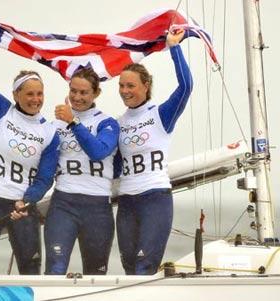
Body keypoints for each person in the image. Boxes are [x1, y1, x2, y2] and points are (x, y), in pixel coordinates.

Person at [0, 19, 59, 275]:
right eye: (29, 94)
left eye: (39, 93)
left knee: (30, 270)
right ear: (17, 94)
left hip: (23, 207)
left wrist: (27, 200)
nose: (35, 99)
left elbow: (45, 177)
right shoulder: (1, 110)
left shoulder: (49, 132)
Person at [114, 29, 193, 275]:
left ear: (146, 86)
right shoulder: (117, 123)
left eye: (131, 86)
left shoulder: (161, 115)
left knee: (144, 266)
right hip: (126, 202)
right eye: (121, 85)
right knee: (129, 268)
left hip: (155, 199)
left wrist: (174, 47)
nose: (125, 90)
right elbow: (113, 166)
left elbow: (186, 87)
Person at [44, 68, 120, 275]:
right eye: (73, 91)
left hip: (97, 209)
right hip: (63, 204)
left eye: (84, 92)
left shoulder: (107, 123)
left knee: (95, 275)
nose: (77, 97)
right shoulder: (54, 124)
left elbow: (98, 152)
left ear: (96, 93)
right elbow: (44, 169)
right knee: (55, 270)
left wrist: (73, 122)